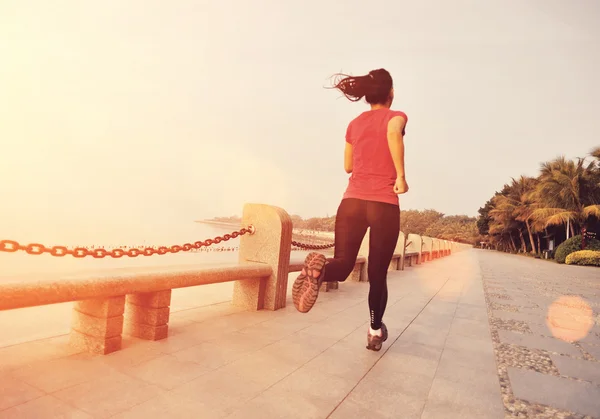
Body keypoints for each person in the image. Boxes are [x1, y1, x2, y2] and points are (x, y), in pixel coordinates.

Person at [292, 68, 409, 352]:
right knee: (378, 274)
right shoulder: (396, 116)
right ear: (390, 93)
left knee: (342, 265)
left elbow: (348, 166)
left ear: (368, 95)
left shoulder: (354, 124)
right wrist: (401, 176)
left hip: (351, 202)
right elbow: (394, 132)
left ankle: (318, 272)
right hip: (383, 203)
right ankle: (374, 331)